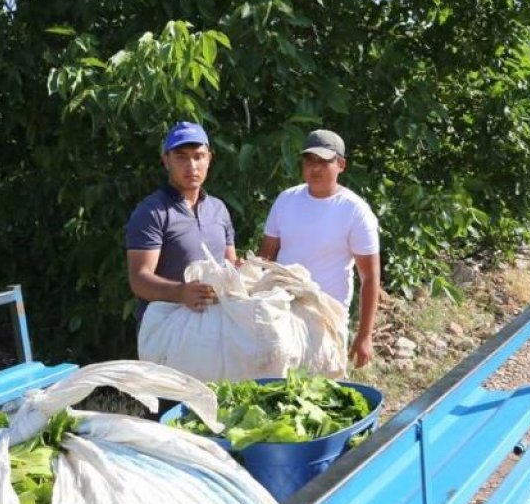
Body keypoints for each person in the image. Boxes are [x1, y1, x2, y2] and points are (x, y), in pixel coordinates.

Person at [256, 129, 381, 368]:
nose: (315, 169)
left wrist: (365, 335)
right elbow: (266, 256)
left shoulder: (354, 211)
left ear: (341, 164)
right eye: (309, 161)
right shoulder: (286, 200)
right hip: (281, 310)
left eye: (324, 162)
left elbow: (370, 276)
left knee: (321, 389)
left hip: (326, 317)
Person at [125, 121, 237, 327]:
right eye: (181, 157)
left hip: (215, 325)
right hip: (166, 327)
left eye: (198, 156)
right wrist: (180, 292)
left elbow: (230, 265)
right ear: (166, 161)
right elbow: (139, 279)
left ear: (209, 159)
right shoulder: (151, 211)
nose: (191, 166)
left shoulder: (218, 209)